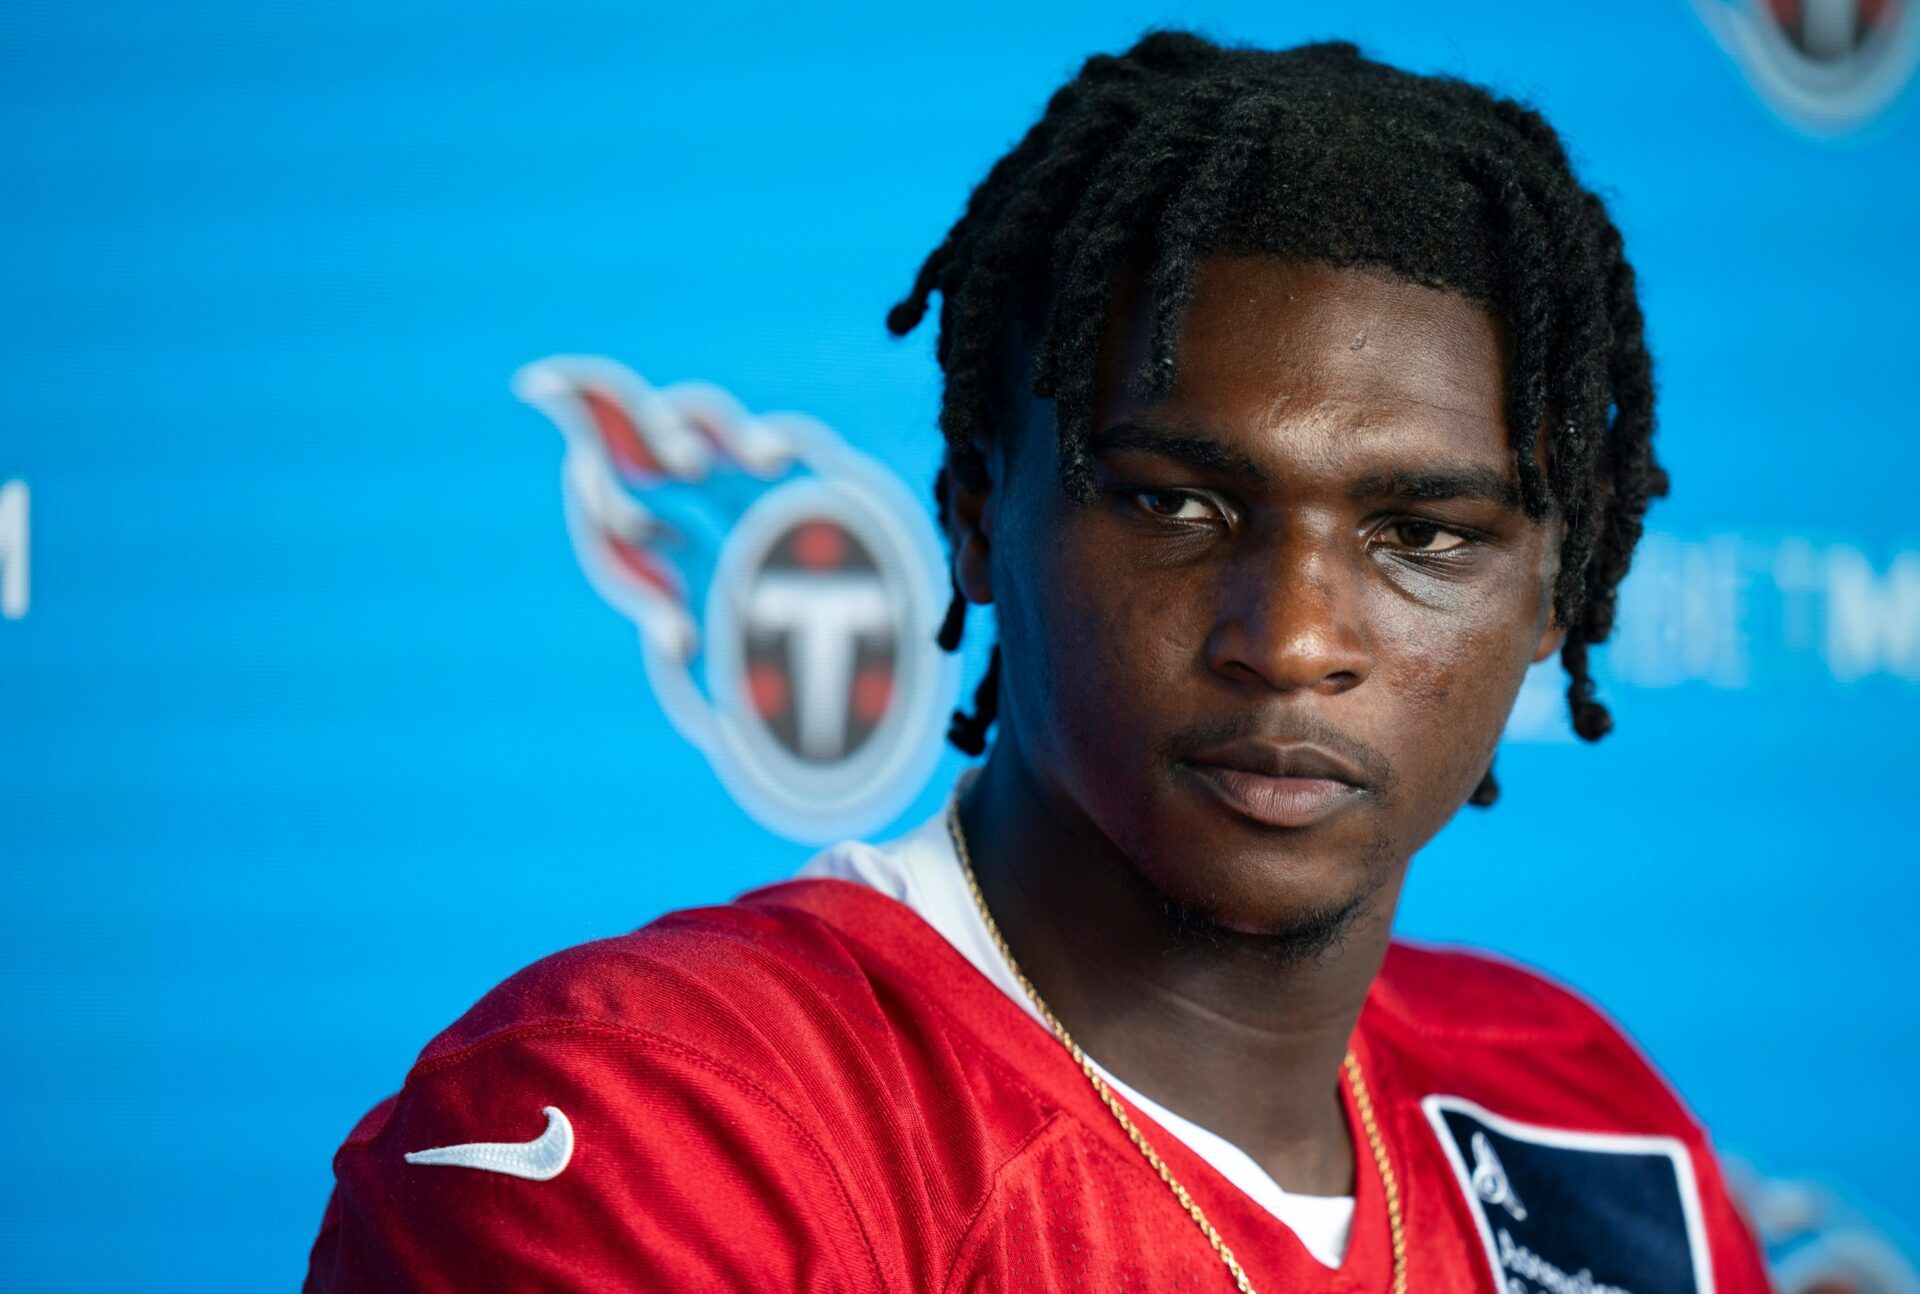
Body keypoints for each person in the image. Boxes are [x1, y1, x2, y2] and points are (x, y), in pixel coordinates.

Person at [306, 31, 1771, 1293]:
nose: (1296, 638)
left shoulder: (1578, 1119)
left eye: (1421, 534)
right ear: (974, 516)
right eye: (1175, 503)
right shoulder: (657, 1115)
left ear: (1556, 593)